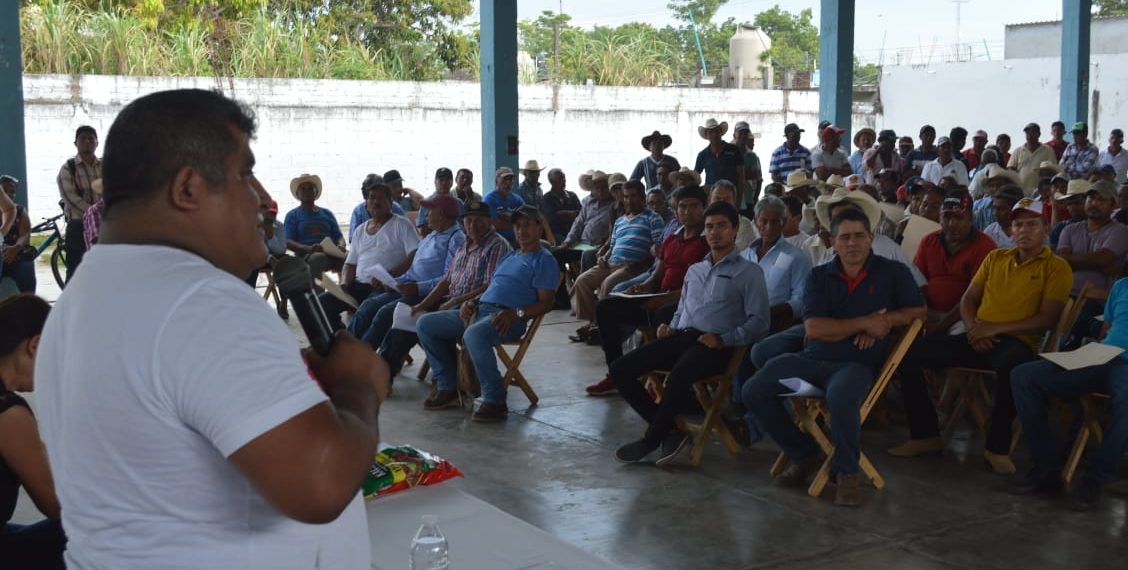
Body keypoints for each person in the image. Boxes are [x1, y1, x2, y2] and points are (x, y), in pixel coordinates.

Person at [35, 88, 388, 568]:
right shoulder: (198, 301)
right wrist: (357, 386)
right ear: (187, 189)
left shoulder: (83, 296)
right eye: (245, 175)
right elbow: (321, 483)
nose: (264, 202)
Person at [742, 207, 926, 506]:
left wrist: (887, 320)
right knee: (755, 389)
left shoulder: (892, 273)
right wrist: (867, 322)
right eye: (845, 238)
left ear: (871, 238)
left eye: (859, 236)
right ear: (833, 242)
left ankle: (847, 473)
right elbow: (814, 328)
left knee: (840, 395)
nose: (852, 243)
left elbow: (918, 311)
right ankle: (803, 452)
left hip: (856, 366)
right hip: (812, 364)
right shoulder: (819, 276)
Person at [890, 198, 1071, 473]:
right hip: (976, 334)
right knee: (909, 354)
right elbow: (968, 298)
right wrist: (974, 327)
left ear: (1046, 228)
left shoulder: (1056, 266)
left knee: (1013, 367)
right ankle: (925, 435)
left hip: (1016, 341)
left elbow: (1047, 319)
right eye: (1018, 225)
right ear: (1011, 231)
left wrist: (993, 329)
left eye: (1032, 224)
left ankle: (997, 448)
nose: (1023, 230)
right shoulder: (996, 257)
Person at [612, 201, 770, 465]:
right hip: (684, 337)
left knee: (679, 375)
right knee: (621, 369)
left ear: (734, 230)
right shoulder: (696, 269)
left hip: (717, 347)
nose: (714, 232)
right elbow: (683, 308)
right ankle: (671, 430)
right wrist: (671, 326)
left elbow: (760, 322)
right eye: (709, 227)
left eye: (721, 226)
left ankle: (652, 439)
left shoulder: (749, 272)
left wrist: (723, 339)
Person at [416, 206, 559, 422]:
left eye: (528, 225)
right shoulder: (510, 256)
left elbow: (547, 303)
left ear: (539, 227)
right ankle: (447, 386)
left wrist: (516, 313)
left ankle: (495, 400)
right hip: (481, 310)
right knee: (425, 323)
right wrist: (471, 302)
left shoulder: (543, 260)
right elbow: (491, 286)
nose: (522, 231)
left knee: (474, 335)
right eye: (518, 226)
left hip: (508, 317)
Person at [1011, 276, 1128, 510]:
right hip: (1101, 356)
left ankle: (1095, 478)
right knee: (1024, 376)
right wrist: (1086, 355)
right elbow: (1106, 331)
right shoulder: (1121, 285)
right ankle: (1047, 470)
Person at [585, 186, 709, 396]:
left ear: (704, 208)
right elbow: (658, 274)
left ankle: (659, 381)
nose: (687, 211)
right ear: (676, 210)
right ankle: (615, 373)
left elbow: (699, 289)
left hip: (685, 305)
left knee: (662, 314)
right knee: (606, 307)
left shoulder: (708, 241)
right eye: (682, 207)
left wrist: (661, 298)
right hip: (660, 296)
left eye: (693, 206)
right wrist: (645, 287)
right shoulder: (673, 238)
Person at [377, 200, 511, 379]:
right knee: (407, 318)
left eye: (479, 220)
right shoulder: (466, 245)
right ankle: (384, 372)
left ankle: (446, 380)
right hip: (450, 299)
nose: (473, 225)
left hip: (471, 306)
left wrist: (454, 301)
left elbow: (488, 286)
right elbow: (446, 280)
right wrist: (422, 305)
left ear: (489, 221)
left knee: (422, 325)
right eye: (469, 220)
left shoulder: (496, 245)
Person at [347, 194, 465, 355]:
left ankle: (361, 358)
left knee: (386, 313)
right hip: (410, 287)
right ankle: (346, 349)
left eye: (430, 210)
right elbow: (413, 270)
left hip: (428, 295)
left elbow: (449, 279)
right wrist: (393, 281)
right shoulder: (431, 236)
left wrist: (417, 288)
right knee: (368, 306)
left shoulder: (456, 239)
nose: (426, 214)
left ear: (442, 214)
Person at [0, 295, 65, 570]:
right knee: (91, 531)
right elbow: (56, 506)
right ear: (34, 345)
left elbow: (36, 456)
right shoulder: (8, 413)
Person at [571, 180, 665, 337]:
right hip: (610, 263)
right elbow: (613, 245)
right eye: (626, 197)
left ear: (642, 196)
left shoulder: (653, 218)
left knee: (608, 284)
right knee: (582, 281)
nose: (628, 200)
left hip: (632, 266)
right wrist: (603, 256)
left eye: (633, 196)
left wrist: (640, 264)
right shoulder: (620, 221)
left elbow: (659, 249)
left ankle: (600, 328)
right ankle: (594, 323)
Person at [320, 180, 420, 329]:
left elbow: (415, 254)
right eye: (371, 198)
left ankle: (351, 345)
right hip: (358, 285)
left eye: (380, 198)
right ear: (366, 203)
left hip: (385, 287)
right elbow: (349, 263)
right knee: (322, 302)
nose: (375, 202)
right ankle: (340, 338)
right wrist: (344, 284)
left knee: (367, 309)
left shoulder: (402, 224)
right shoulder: (360, 230)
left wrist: (390, 274)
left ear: (390, 202)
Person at [912, 190, 997, 337]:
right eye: (947, 217)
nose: (952, 224)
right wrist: (921, 314)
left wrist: (939, 327)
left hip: (964, 315)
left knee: (961, 336)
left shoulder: (985, 246)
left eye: (959, 218)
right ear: (940, 217)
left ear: (971, 218)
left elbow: (974, 297)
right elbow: (918, 283)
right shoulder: (928, 241)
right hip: (928, 310)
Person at [740, 195, 813, 333]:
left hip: (775, 323)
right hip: (739, 320)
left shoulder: (797, 257)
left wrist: (772, 310)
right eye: (764, 221)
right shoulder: (744, 256)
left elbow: (802, 299)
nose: (769, 227)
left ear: (783, 222)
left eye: (775, 222)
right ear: (755, 222)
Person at [56, 125, 101, 282]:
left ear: (97, 143)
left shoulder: (105, 166)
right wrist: (94, 213)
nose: (87, 142)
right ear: (75, 143)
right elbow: (71, 198)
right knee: (76, 271)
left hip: (104, 226)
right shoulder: (68, 168)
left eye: (91, 139)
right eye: (83, 139)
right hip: (79, 225)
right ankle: (71, 305)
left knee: (104, 269)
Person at [284, 173, 346, 277]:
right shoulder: (292, 215)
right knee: (318, 259)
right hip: (307, 255)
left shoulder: (327, 213)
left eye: (310, 188)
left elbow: (339, 236)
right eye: (303, 188)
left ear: (316, 192)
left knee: (351, 258)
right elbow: (288, 242)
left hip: (332, 253)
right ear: (297, 194)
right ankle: (317, 293)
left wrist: (341, 245)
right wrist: (308, 249)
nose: (307, 191)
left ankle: (346, 291)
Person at [694, 118, 746, 198]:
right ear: (707, 135)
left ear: (721, 132)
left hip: (730, 195)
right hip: (711, 197)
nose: (714, 134)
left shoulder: (734, 150)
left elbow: (741, 177)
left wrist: (738, 200)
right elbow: (695, 177)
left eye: (717, 131)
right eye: (711, 132)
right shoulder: (702, 155)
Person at [1, 178, 36, 293]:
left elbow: (25, 234)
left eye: (12, 191)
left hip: (15, 254)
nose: (9, 194)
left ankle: (28, 303)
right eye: (5, 190)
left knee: (26, 270)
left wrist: (15, 248)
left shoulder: (19, 211)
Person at [350, 174, 406, 241]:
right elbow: (353, 240)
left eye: (380, 196)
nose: (376, 201)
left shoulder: (397, 209)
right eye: (372, 197)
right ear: (365, 197)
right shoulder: (358, 212)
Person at [1009, 123, 1058, 194]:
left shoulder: (1048, 150)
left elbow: (1053, 170)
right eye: (1027, 133)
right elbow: (1011, 170)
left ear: (1039, 134)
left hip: (1041, 192)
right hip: (1021, 192)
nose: (1030, 135)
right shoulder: (1018, 151)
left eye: (1033, 132)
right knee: (1024, 205)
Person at [416, 167, 463, 237]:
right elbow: (422, 230)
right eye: (441, 180)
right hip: (433, 240)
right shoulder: (426, 203)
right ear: (435, 181)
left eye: (447, 180)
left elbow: (465, 225)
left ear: (452, 182)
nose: (444, 183)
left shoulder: (458, 203)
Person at [483, 166, 525, 242]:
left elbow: (525, 221)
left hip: (517, 240)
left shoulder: (518, 199)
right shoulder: (489, 199)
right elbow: (494, 224)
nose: (508, 182)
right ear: (497, 181)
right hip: (496, 241)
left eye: (511, 179)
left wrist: (508, 220)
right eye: (505, 179)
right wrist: (515, 223)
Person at [541, 167, 582, 242]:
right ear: (552, 182)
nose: (564, 181)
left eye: (564, 178)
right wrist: (571, 214)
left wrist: (564, 213)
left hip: (574, 231)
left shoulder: (572, 195)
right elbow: (552, 219)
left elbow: (581, 214)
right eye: (560, 178)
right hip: (556, 234)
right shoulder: (547, 198)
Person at [1050, 179, 1091, 248]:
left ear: (1089, 202)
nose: (1073, 207)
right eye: (1069, 203)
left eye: (1078, 203)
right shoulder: (1061, 227)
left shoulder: (1103, 227)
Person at [733, 121, 763, 213]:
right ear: (734, 135)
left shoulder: (753, 156)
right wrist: (747, 174)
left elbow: (758, 179)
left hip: (748, 201)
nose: (743, 136)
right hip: (731, 200)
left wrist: (755, 199)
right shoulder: (728, 153)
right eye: (740, 133)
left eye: (746, 133)